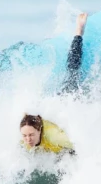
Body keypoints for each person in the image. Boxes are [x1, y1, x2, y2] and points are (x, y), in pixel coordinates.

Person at [19, 12, 87, 153]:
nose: (28, 140)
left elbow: (82, 146)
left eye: (31, 135)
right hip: (57, 104)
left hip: (69, 99)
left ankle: (79, 31)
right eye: (25, 136)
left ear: (39, 131)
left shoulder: (55, 137)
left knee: (72, 70)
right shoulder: (24, 139)